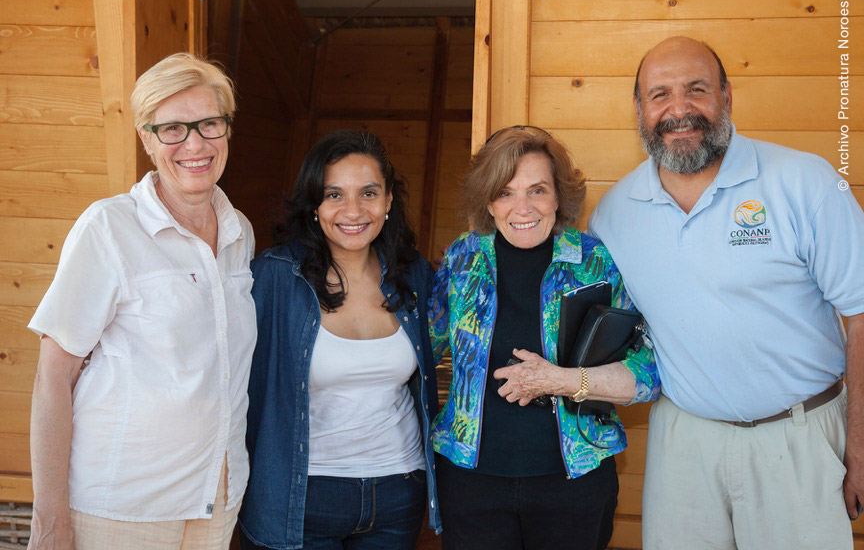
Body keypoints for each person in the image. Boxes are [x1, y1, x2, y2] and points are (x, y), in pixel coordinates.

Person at [589, 36, 864, 549]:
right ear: (638, 108)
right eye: (660, 94)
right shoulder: (613, 214)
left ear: (727, 97)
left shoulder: (804, 182)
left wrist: (862, 450)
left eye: (697, 90)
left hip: (801, 435)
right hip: (684, 443)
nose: (679, 110)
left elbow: (862, 312)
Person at [27, 53, 256, 550]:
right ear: (146, 138)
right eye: (172, 128)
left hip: (215, 501)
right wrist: (48, 520)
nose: (195, 144)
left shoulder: (239, 232)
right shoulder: (109, 228)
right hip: (123, 508)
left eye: (209, 124)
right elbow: (53, 377)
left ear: (227, 129)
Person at [430, 125, 660, 550]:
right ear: (488, 200)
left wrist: (562, 380)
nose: (523, 207)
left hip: (574, 484)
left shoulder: (593, 260)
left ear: (559, 196)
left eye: (537, 190)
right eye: (505, 192)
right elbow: (421, 350)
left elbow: (647, 368)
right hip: (471, 484)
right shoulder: (463, 257)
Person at [238, 130, 440, 550]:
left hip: (398, 490)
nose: (353, 210)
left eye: (368, 193)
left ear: (388, 201)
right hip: (301, 495)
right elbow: (232, 380)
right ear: (314, 205)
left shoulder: (413, 274)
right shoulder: (275, 277)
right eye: (334, 194)